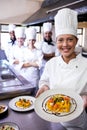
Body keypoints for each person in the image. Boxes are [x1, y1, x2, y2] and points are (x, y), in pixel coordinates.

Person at [36, 8, 87, 130]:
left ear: (76, 41)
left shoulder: (86, 64)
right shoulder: (51, 64)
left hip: (77, 122)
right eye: (60, 40)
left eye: (70, 39)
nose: (65, 45)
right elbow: (44, 81)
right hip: (53, 118)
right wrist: (44, 87)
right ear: (56, 41)